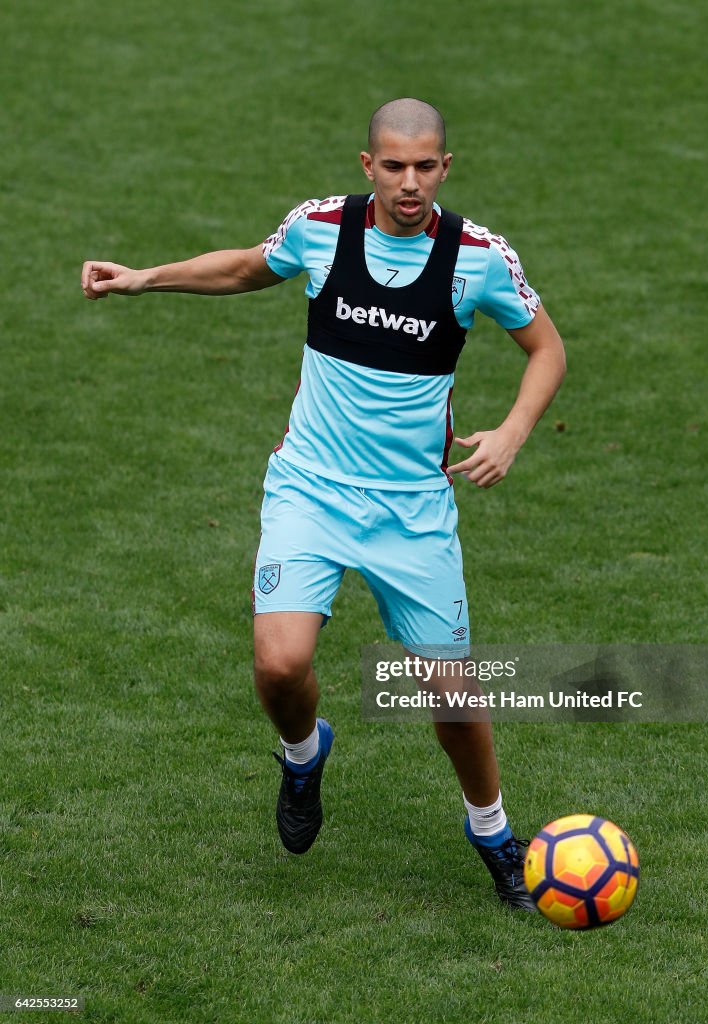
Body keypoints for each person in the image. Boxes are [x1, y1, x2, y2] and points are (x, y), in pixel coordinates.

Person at [81, 98, 566, 912]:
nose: (407, 182)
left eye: (423, 166)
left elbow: (546, 347)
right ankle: (303, 754)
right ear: (366, 164)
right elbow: (245, 265)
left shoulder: (477, 257)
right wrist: (143, 278)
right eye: (392, 164)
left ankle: (492, 833)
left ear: (444, 167)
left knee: (450, 690)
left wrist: (513, 432)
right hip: (309, 486)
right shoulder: (321, 228)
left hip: (411, 508)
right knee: (278, 664)